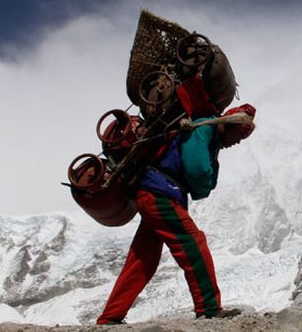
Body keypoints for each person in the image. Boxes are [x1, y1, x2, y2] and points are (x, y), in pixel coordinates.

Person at [96, 102, 256, 325]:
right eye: (239, 136)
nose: (237, 142)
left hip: (152, 191)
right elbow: (197, 170)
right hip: (160, 193)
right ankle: (209, 309)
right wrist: (205, 185)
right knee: (193, 244)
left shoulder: (207, 133)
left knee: (143, 259)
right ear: (230, 126)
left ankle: (110, 317)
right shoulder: (203, 129)